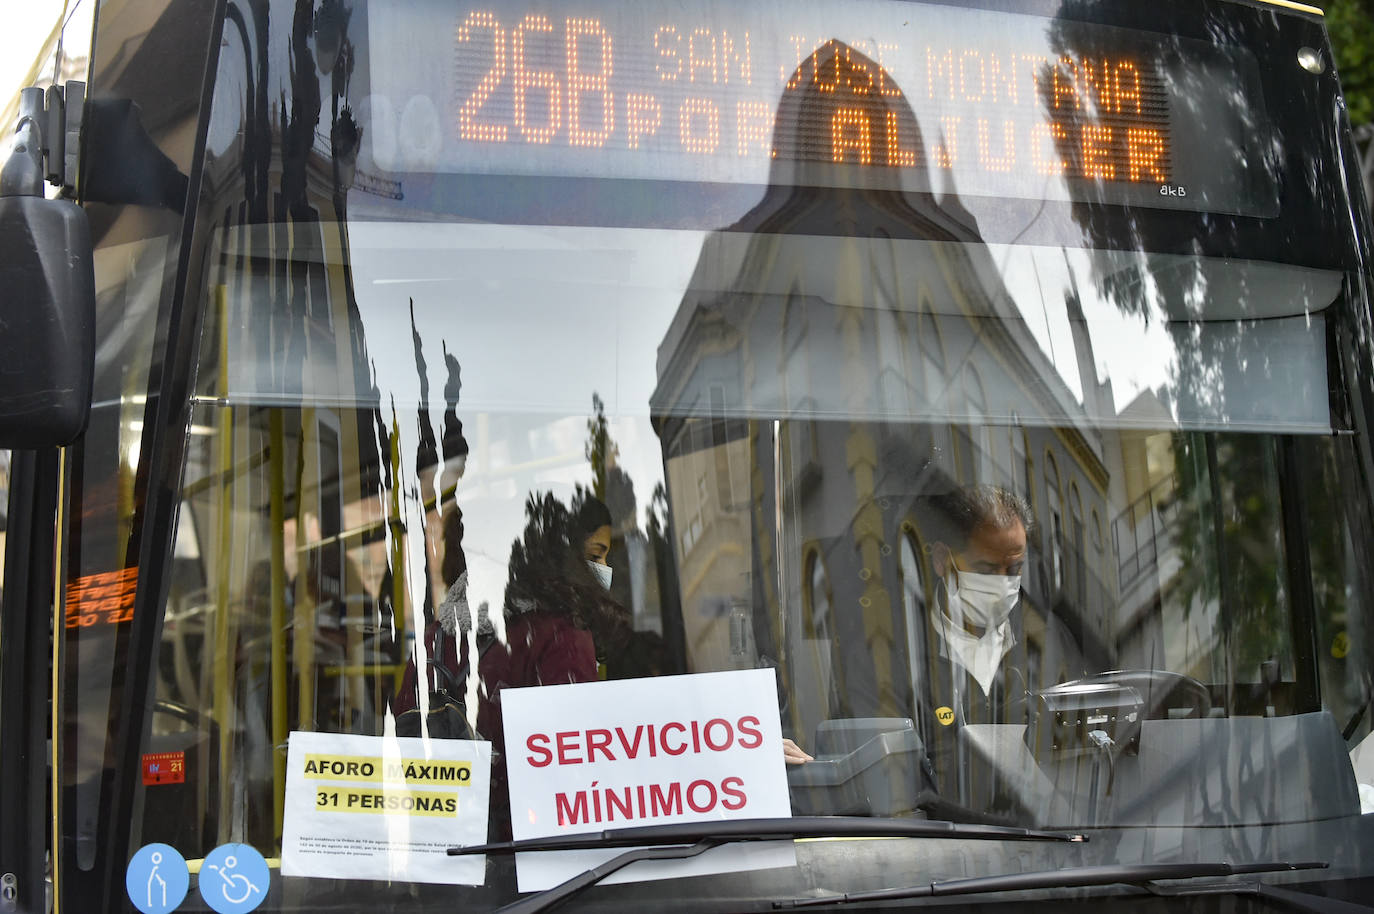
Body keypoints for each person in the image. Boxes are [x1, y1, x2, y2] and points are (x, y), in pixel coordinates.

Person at [915, 483, 1077, 816]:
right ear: (943, 560)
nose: (1004, 584)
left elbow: (1074, 749)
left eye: (1014, 569)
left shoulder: (1050, 645)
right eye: (988, 570)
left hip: (1044, 849)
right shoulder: (905, 650)